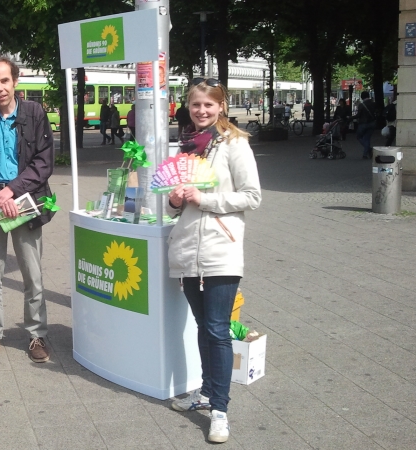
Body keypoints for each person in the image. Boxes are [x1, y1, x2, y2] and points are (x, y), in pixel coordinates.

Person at [167, 78, 262, 444]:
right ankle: (205, 393)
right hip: (187, 249)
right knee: (203, 325)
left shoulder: (235, 144)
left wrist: (204, 200)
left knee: (218, 330)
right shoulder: (188, 146)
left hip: (220, 250)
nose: (202, 111)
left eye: (209, 105)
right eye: (196, 105)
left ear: (221, 106)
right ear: (188, 108)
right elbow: (172, 202)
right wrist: (175, 200)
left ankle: (220, 410)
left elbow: (252, 197)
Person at [0, 55, 55, 364]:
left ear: (16, 81)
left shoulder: (34, 113)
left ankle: (36, 334)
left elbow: (44, 162)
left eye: (4, 80)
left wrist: (12, 191)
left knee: (33, 274)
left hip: (26, 200)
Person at [352, 91, 377, 159]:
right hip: (372, 123)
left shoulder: (361, 105)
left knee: (359, 137)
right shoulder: (373, 104)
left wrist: (350, 117)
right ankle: (365, 154)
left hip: (363, 123)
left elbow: (358, 115)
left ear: (362, 97)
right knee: (367, 138)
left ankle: (368, 149)